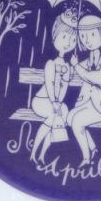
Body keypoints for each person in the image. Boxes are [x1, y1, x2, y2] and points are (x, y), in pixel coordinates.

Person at [30, 11, 77, 163]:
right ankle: (34, 152)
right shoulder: (50, 63)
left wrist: (73, 68)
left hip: (57, 102)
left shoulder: (67, 66)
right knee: (54, 116)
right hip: (42, 100)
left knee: (60, 115)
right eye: (64, 37)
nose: (68, 42)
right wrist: (54, 102)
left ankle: (41, 155)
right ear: (55, 36)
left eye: (72, 39)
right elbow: (50, 84)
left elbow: (64, 86)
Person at [67, 14, 101, 167]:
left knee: (77, 122)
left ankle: (86, 158)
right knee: (70, 117)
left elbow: (93, 77)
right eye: (83, 36)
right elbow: (80, 69)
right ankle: (93, 149)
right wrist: (72, 67)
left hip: (100, 107)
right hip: (89, 103)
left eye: (92, 34)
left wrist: (76, 66)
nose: (87, 40)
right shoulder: (91, 57)